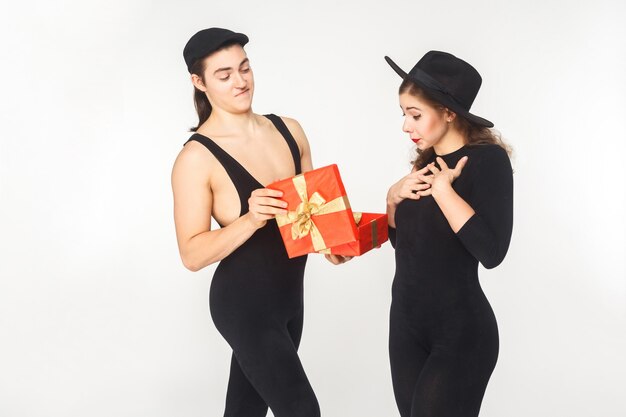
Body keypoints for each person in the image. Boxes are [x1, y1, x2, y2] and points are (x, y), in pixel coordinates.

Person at [171, 28, 324, 417]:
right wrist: (251, 219)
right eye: (224, 75)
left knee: (245, 410)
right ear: (199, 82)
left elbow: (313, 216)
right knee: (302, 409)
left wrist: (334, 243)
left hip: (290, 299)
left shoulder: (290, 130)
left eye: (245, 68)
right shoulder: (196, 158)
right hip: (242, 303)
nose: (240, 82)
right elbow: (191, 253)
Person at [384, 51, 514, 417]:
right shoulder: (424, 163)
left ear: (448, 112)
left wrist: (444, 192)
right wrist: (392, 201)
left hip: (460, 334)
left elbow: (492, 252)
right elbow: (409, 246)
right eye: (403, 114)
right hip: (406, 328)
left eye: (415, 114)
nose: (406, 126)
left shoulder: (488, 161)